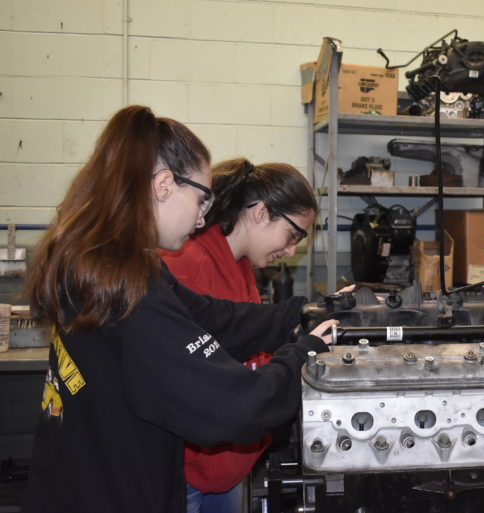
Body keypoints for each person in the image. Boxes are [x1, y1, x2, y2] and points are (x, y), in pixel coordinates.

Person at [21, 105, 337, 513]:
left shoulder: (105, 263)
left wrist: (306, 312)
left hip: (75, 481)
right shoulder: (126, 289)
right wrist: (305, 354)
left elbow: (212, 319)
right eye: (202, 200)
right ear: (165, 184)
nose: (203, 218)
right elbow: (234, 407)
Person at [161, 159, 318, 513]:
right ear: (261, 212)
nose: (291, 250)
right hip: (191, 471)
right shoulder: (189, 263)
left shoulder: (239, 263)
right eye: (293, 234)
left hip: (227, 465)